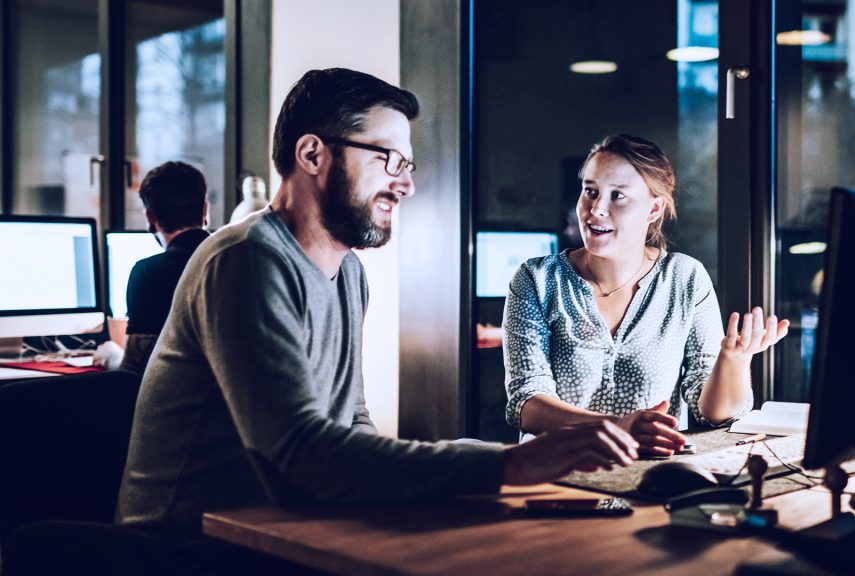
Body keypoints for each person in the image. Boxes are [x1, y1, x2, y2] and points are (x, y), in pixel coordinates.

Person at [115, 69, 638, 573]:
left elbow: (352, 421)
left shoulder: (348, 273)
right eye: (389, 160)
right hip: (192, 551)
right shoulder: (247, 259)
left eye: (407, 165)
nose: (405, 185)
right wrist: (510, 465)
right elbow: (301, 455)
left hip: (293, 533)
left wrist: (488, 460)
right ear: (312, 154)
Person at [503, 134, 789, 457]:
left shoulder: (685, 278)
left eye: (618, 196)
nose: (597, 209)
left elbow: (712, 413)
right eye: (590, 191)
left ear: (653, 209)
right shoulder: (537, 279)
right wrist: (617, 428)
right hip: (553, 475)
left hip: (651, 476)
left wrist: (734, 361)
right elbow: (527, 403)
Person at [121, 161, 210, 375]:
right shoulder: (231, 259)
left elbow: (135, 369)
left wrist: (111, 356)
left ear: (149, 217)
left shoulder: (148, 273)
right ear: (205, 209)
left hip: (176, 392)